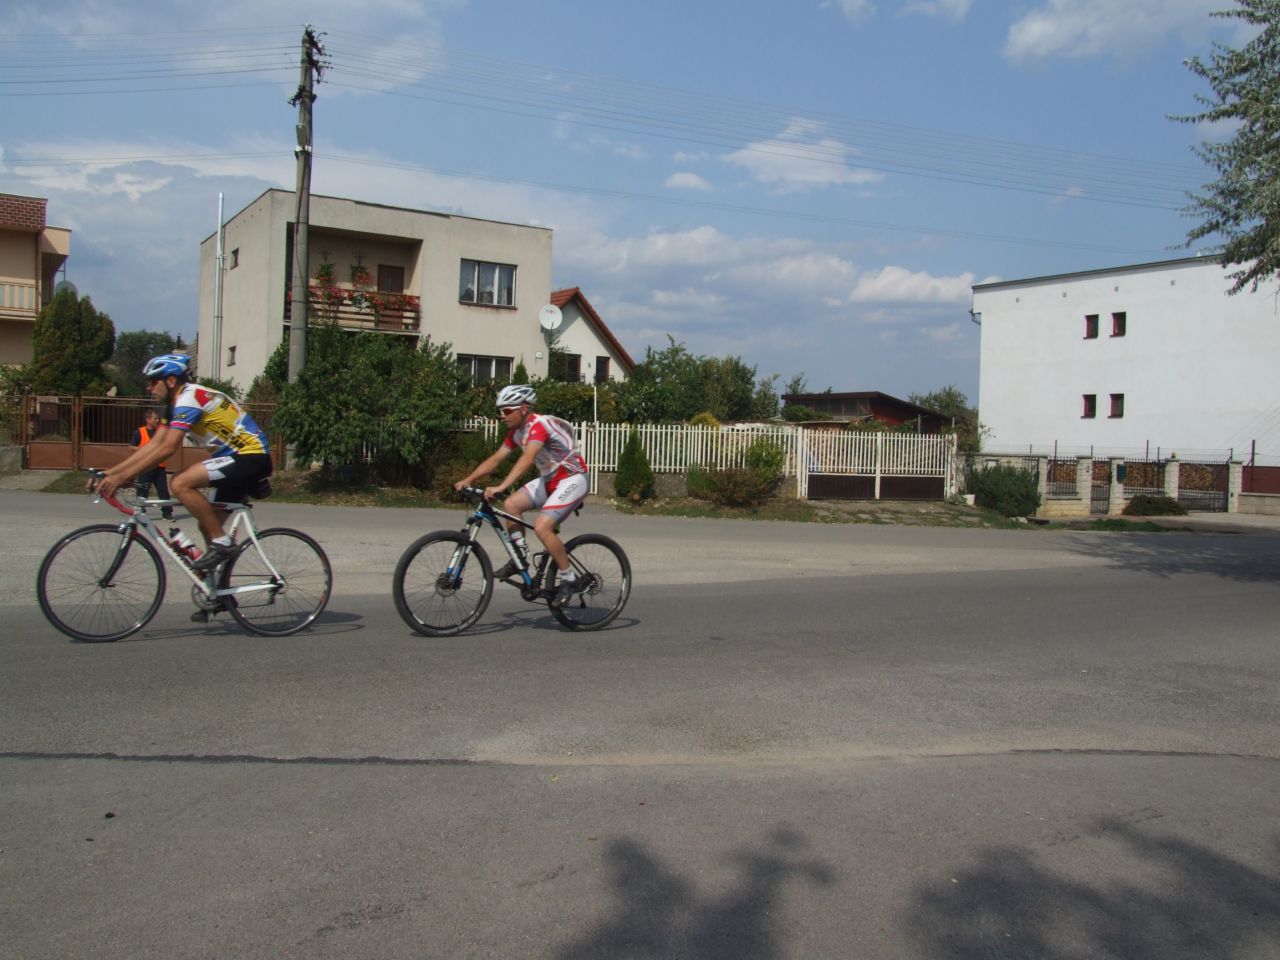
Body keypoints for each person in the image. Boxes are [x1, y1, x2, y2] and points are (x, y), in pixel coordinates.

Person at [95, 354, 272, 574]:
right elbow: (154, 444)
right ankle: (216, 587)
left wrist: (122, 477)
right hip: (235, 458)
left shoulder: (189, 398)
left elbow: (167, 448)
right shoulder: (173, 406)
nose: (149, 388)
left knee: (179, 482)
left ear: (171, 381)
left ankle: (223, 543)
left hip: (251, 456)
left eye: (153, 381)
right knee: (207, 525)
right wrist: (111, 473)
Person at [454, 384, 589, 606]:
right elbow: (496, 459)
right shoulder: (518, 433)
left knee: (542, 527)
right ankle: (520, 556)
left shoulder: (539, 426)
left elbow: (527, 459)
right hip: (550, 480)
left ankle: (569, 578)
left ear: (524, 409)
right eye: (500, 411)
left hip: (573, 479)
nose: (502, 415)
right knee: (511, 505)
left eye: (507, 410)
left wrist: (501, 486)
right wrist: (468, 479)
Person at [129, 408, 174, 520]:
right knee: (142, 491)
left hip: (159, 466)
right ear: (148, 419)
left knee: (163, 491)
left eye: (158, 418)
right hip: (145, 466)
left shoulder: (160, 432)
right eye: (155, 418)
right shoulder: (139, 432)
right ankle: (140, 512)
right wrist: (143, 449)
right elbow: (131, 447)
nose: (157, 420)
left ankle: (167, 513)